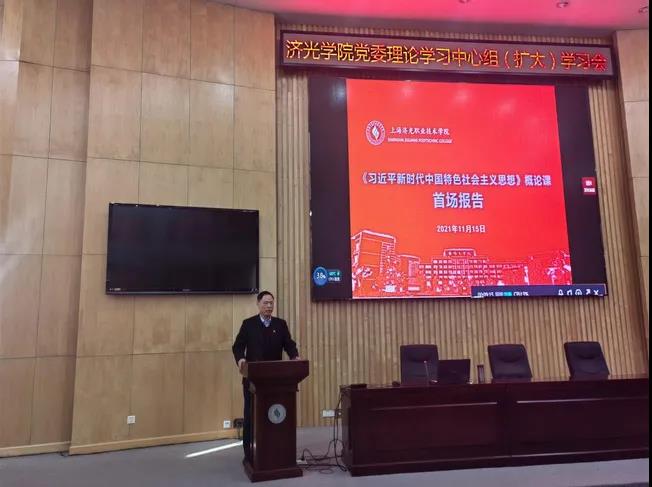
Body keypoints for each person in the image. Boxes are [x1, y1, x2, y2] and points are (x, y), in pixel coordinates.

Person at [232, 291, 299, 462]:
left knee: (275, 416)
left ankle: (274, 451)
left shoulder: (280, 324)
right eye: (266, 303)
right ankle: (249, 454)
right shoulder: (248, 324)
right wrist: (240, 359)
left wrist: (295, 356)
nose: (269, 306)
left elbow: (289, 344)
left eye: (271, 303)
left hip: (275, 382)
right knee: (251, 417)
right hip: (253, 381)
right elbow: (238, 346)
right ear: (258, 304)